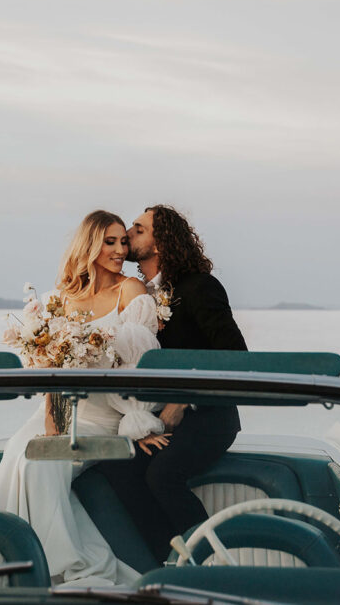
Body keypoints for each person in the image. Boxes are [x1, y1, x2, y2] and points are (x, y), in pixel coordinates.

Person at [0, 210, 167, 586]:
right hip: (58, 410)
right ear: (91, 244)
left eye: (123, 241)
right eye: (110, 242)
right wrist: (51, 417)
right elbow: (50, 364)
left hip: (105, 415)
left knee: (40, 465)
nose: (119, 250)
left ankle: (60, 570)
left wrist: (138, 421)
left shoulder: (130, 291)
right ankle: (3, 561)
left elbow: (139, 363)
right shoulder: (60, 298)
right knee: (18, 453)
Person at [97, 204, 247, 563]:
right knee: (116, 466)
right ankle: (165, 561)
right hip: (157, 418)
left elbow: (235, 357)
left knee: (162, 475)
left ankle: (212, 563)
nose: (128, 235)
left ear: (161, 242)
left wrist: (183, 402)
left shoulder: (200, 287)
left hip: (209, 416)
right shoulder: (138, 294)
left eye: (138, 229)